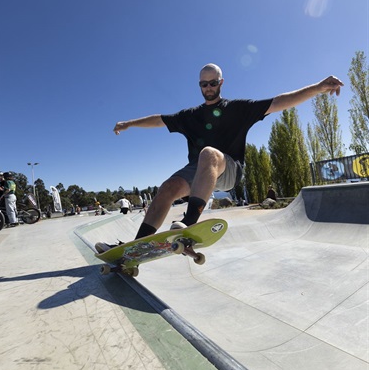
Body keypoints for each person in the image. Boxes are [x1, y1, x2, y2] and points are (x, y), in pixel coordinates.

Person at [95, 63, 343, 253]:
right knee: (168, 187)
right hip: (199, 172)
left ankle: (189, 222)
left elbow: (279, 101)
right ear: (199, 86)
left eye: (213, 83)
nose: (208, 89)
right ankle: (136, 247)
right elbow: (159, 119)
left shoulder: (238, 109)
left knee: (209, 153)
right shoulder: (190, 115)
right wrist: (129, 123)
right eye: (204, 85)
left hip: (229, 170)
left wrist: (318, 87)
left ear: (221, 82)